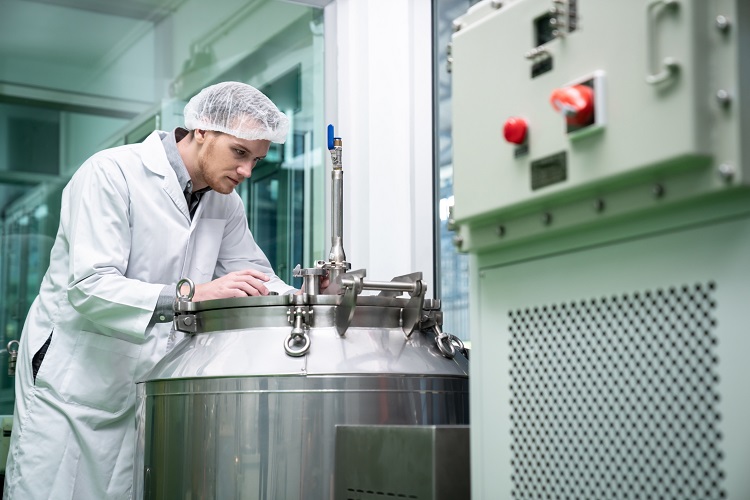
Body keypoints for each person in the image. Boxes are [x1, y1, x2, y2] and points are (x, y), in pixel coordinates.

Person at [3, 82, 297, 499]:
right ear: (201, 132)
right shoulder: (111, 173)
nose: (248, 171)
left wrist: (309, 302)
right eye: (240, 152)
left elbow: (253, 275)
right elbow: (90, 286)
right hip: (76, 381)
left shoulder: (224, 202)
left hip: (149, 380)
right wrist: (192, 295)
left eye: (257, 158)